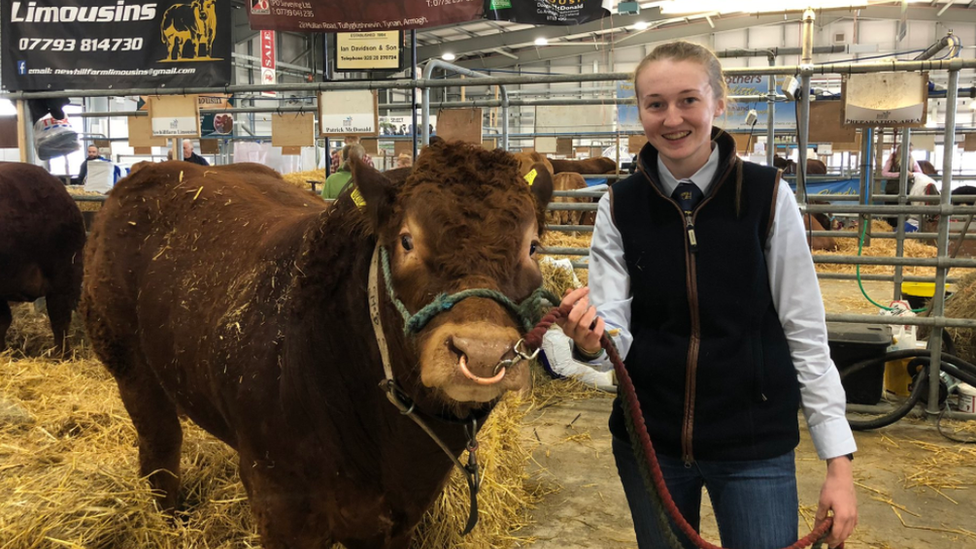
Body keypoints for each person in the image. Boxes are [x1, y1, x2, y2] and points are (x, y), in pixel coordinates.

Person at [556, 41, 857, 549]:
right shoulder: (619, 206)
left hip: (753, 445)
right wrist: (590, 343)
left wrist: (838, 462)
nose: (671, 119)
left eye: (687, 100)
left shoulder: (767, 196)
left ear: (719, 103)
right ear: (640, 112)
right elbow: (614, 336)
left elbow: (805, 332)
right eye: (655, 104)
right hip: (650, 445)